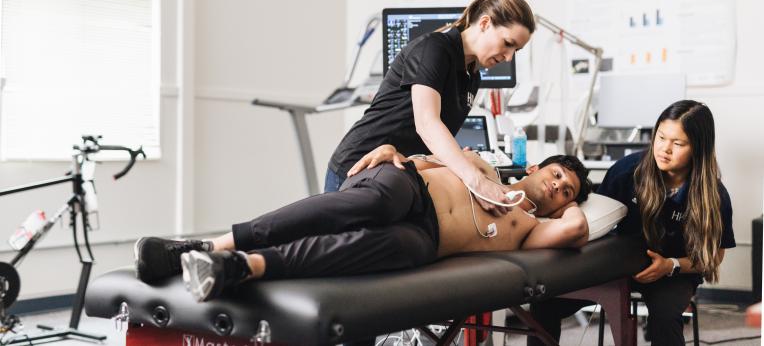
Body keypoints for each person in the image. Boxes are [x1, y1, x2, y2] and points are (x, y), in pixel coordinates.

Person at [135, 144, 592, 302]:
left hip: (426, 239)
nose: (557, 188)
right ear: (533, 169)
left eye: (567, 190)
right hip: (407, 188)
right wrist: (394, 155)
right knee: (377, 203)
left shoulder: (532, 229)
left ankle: (242, 267)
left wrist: (581, 202)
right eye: (555, 175)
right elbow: (414, 161)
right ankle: (204, 247)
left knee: (401, 249)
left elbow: (576, 229)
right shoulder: (479, 164)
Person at [527, 100, 735, 346]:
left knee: (665, 320)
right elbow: (596, 219)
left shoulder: (714, 196)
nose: (664, 149)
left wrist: (670, 265)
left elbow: (714, 256)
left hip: (672, 273)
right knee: (545, 303)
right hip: (616, 263)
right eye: (660, 137)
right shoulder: (628, 171)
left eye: (678, 143)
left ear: (698, 148)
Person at [326, 0, 536, 216]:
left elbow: (431, 141)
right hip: (358, 164)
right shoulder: (434, 49)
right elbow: (427, 124)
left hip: (394, 174)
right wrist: (477, 182)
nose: (509, 57)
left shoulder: (473, 76)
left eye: (516, 50)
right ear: (484, 23)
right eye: (508, 43)